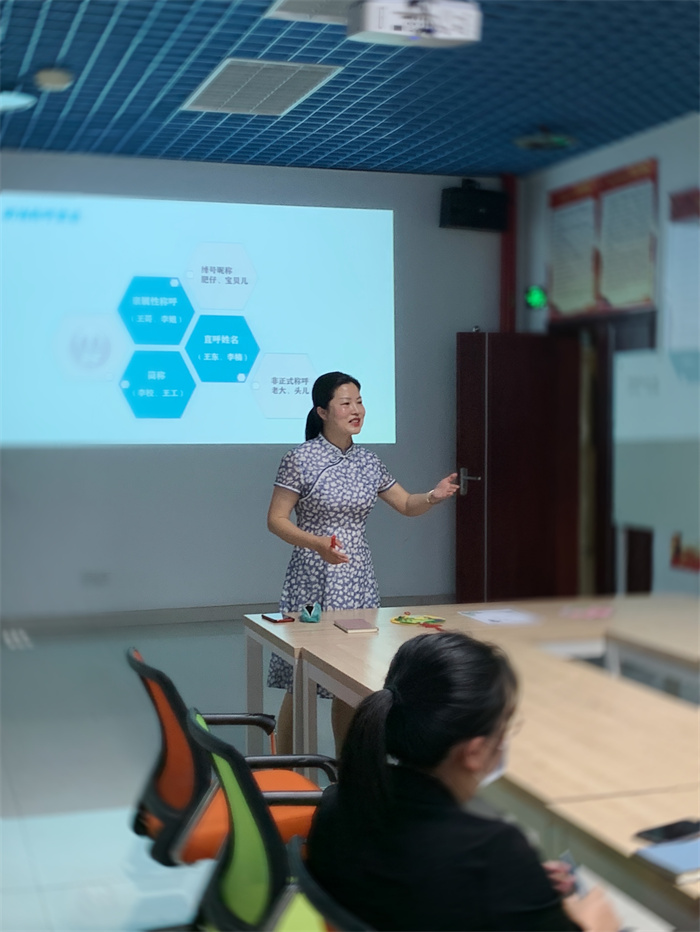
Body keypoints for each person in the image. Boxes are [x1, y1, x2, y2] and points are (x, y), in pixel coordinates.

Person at [306, 631, 621, 932]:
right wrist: (596, 922)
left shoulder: (338, 804)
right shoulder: (493, 851)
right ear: (474, 752)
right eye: (505, 726)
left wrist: (524, 887)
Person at [267, 371, 459, 754]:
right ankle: (284, 763)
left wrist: (432, 496)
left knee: (351, 676)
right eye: (345, 403)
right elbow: (276, 519)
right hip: (312, 576)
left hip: (357, 579)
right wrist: (317, 543)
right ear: (322, 411)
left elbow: (406, 504)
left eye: (359, 401)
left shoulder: (369, 461)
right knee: (300, 675)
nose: (356, 410)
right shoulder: (300, 459)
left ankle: (348, 768)